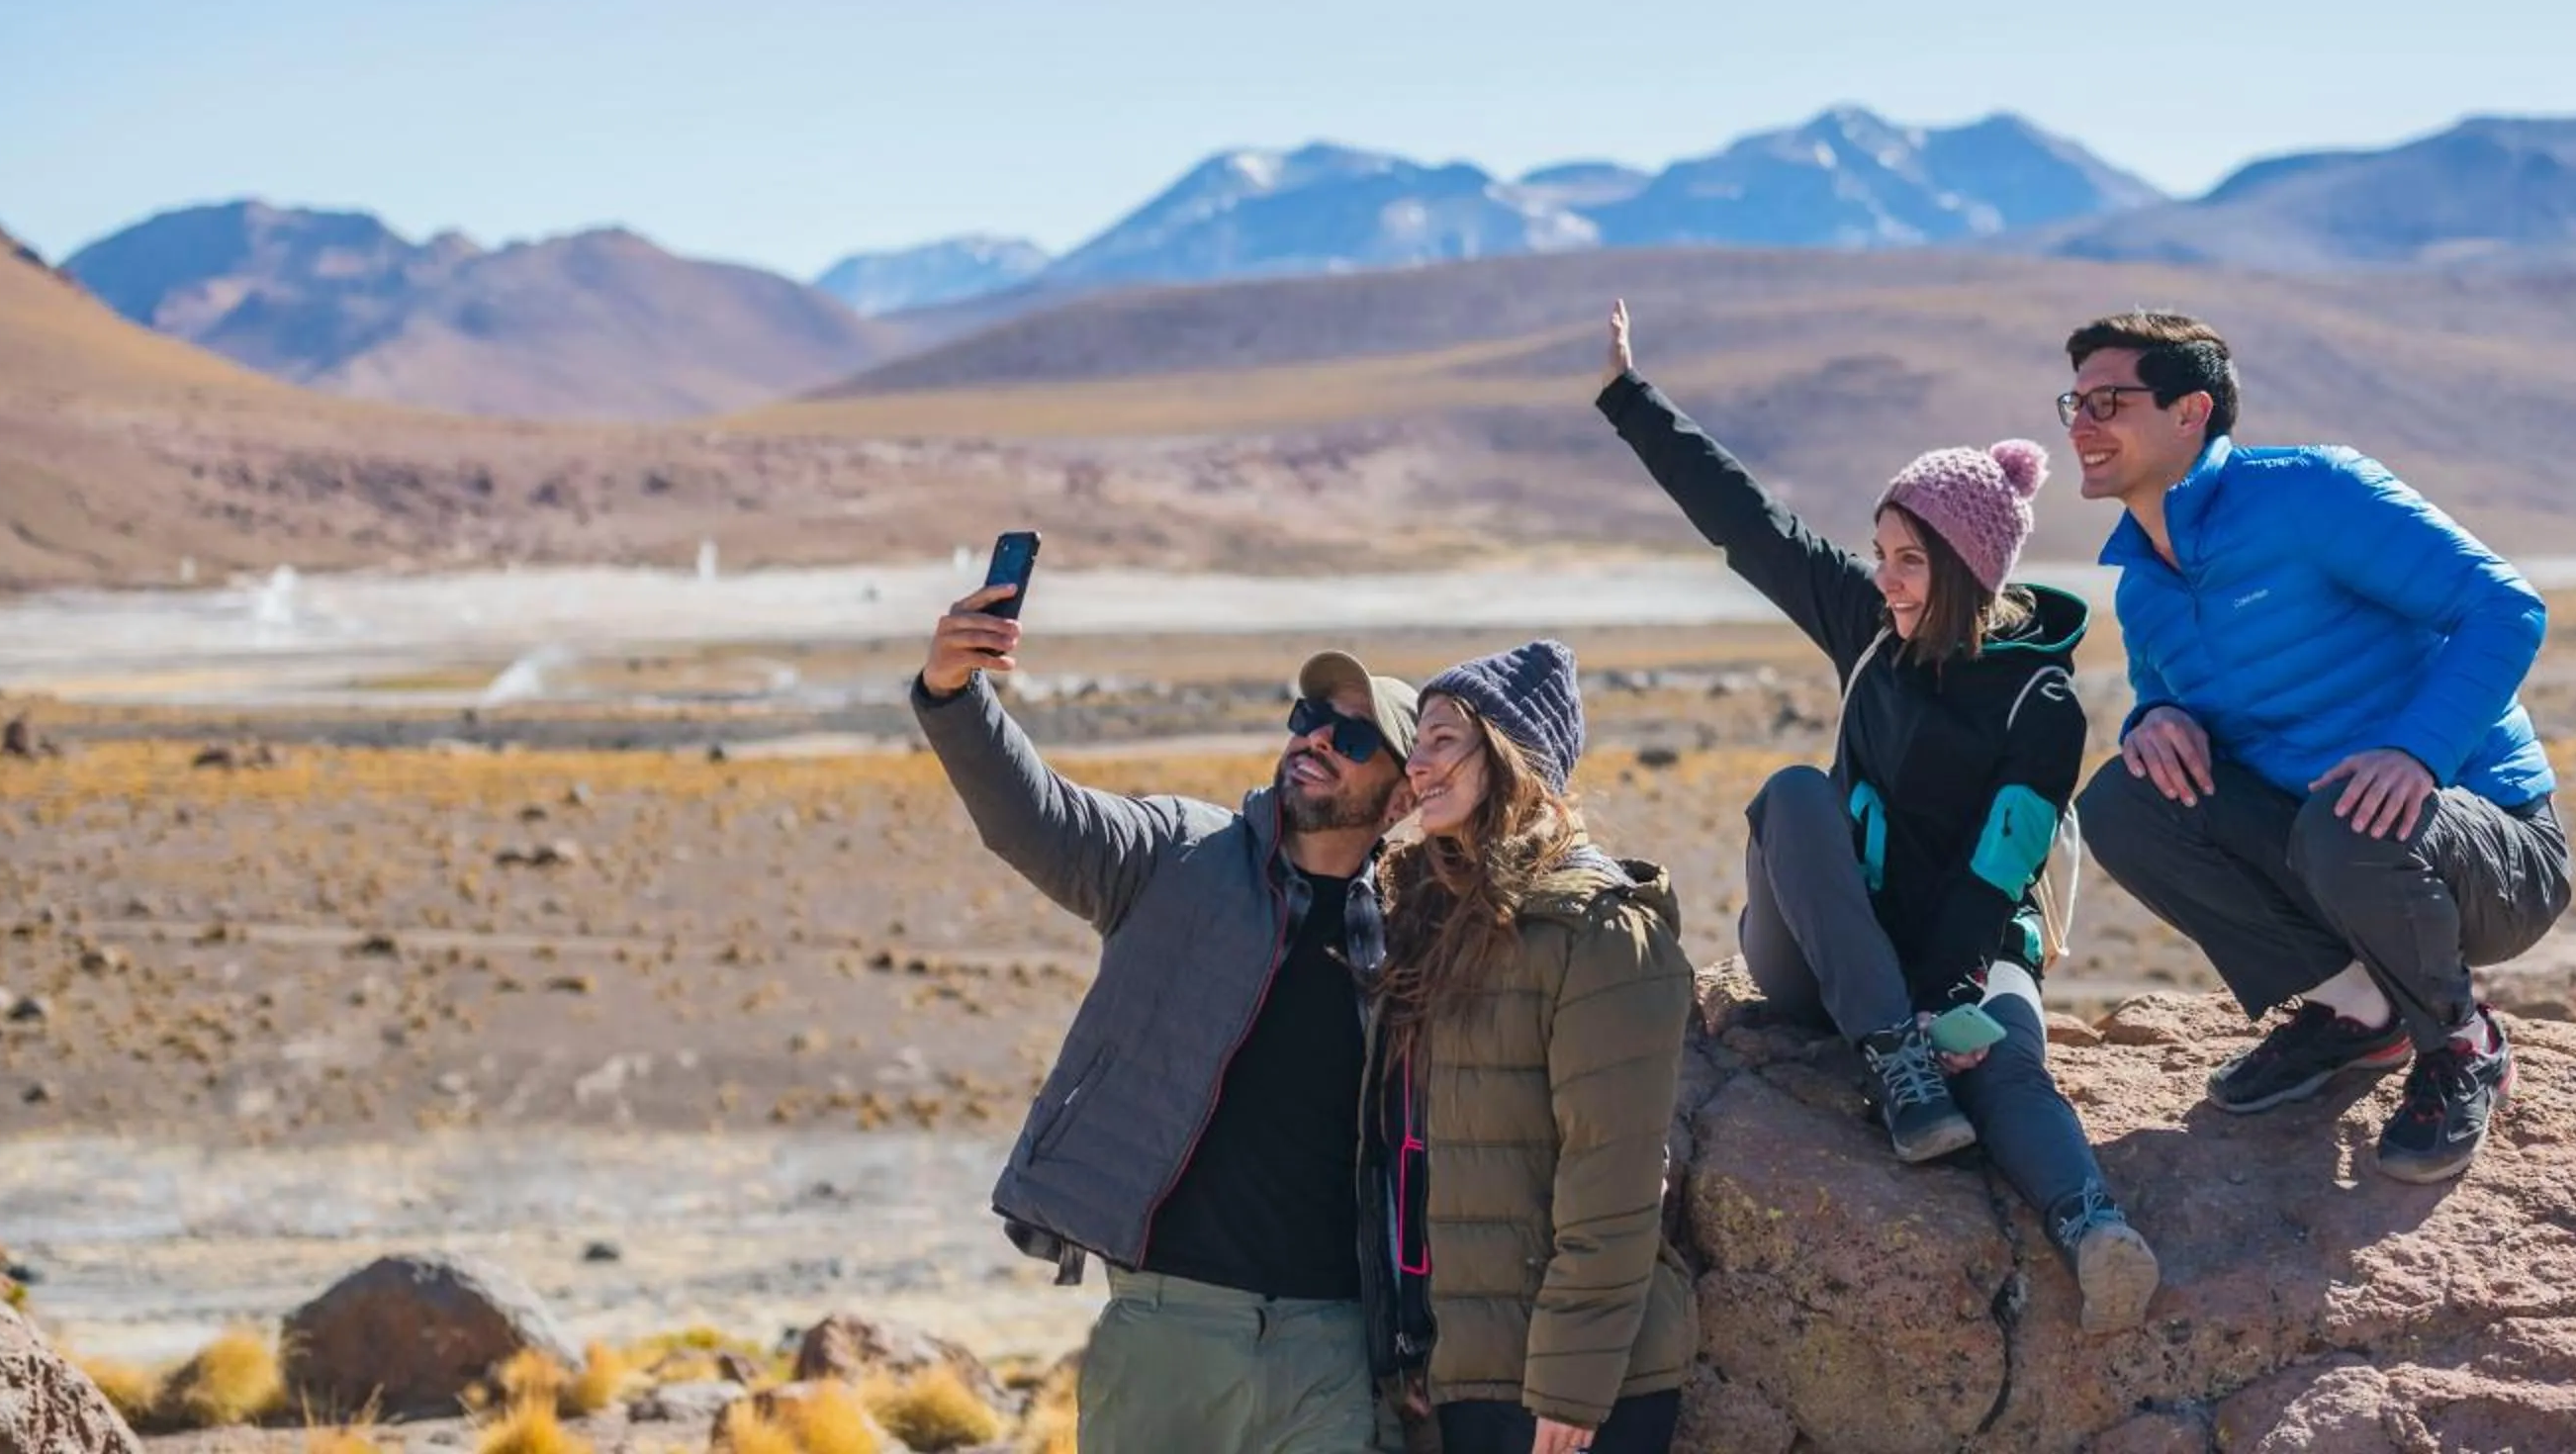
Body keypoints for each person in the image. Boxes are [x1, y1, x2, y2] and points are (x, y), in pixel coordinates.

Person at [1594, 302, 2161, 1334]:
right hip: (1822, 948)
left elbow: (2003, 870)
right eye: (1881, 552)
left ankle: (2094, 1226)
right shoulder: (1867, 628)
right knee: (1795, 792)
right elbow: (1750, 520)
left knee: (2007, 1057)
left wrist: (1952, 1005)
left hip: (1961, 948)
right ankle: (1892, 1055)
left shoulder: (2041, 705)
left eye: (1908, 560)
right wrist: (1631, 399)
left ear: (1967, 567)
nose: (1886, 579)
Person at [2061, 311, 2572, 1184]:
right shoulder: (2144, 585)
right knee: (2124, 801)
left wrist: (2416, 752)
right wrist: (2153, 722)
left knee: (2353, 813)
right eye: (2073, 401)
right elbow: (2161, 694)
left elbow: (2506, 606)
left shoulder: (2312, 493)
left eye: (2110, 399)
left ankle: (2460, 1041)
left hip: (2485, 853)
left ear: (2192, 412)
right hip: (2329, 851)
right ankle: (2357, 1007)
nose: (2081, 422)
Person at [915, 578, 1420, 1454]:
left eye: (1353, 735)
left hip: (1333, 1344)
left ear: (1405, 794)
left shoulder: (1418, 937)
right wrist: (956, 696)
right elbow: (1038, 817)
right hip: (1169, 1327)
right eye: (1308, 716)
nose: (1315, 741)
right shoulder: (1179, 855)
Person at [1363, 638, 1695, 1454]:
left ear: (1512, 757)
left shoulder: (1603, 932)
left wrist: (1571, 1387)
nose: (1418, 765)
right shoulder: (1431, 919)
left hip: (1566, 1396)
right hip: (1460, 1377)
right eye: (1416, 744)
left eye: (1443, 740)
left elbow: (1612, 1177)